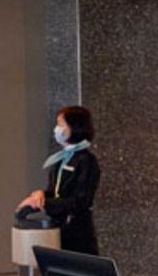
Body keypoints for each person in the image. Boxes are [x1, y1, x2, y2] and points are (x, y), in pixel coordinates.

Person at [17, 105, 101, 255]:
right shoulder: (60, 160)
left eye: (61, 124)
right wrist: (40, 196)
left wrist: (46, 204)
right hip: (57, 228)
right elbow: (55, 191)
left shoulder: (86, 161)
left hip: (76, 233)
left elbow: (80, 201)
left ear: (74, 127)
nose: (57, 129)